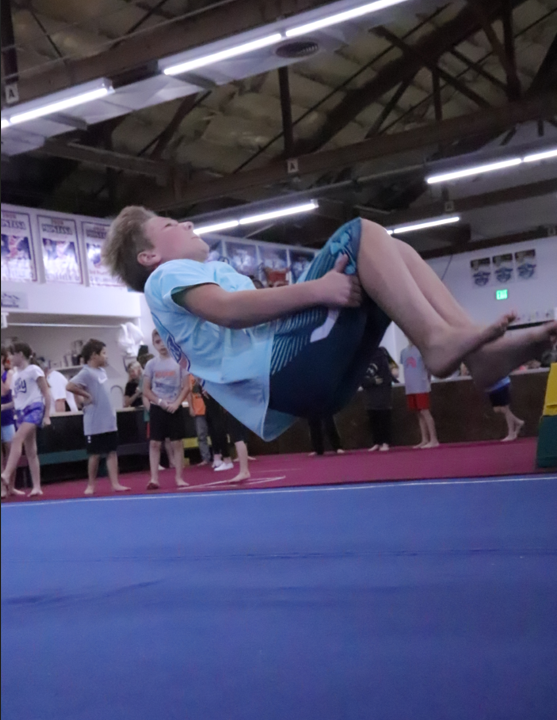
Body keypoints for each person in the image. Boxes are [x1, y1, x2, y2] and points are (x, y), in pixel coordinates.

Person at [101, 208, 557, 441]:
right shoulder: (166, 275)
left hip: (307, 386)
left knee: (388, 252)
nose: (187, 221)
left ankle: (473, 351)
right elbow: (227, 309)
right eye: (169, 224)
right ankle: (442, 342)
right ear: (149, 257)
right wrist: (314, 290)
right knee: (360, 231)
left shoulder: (189, 276)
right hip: (286, 369)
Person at [66, 339, 130, 495]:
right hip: (94, 422)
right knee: (94, 454)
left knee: (112, 452)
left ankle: (115, 483)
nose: (107, 356)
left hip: (108, 420)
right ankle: (91, 485)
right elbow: (70, 386)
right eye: (104, 353)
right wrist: (86, 395)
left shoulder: (101, 371)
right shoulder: (86, 372)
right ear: (94, 355)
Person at [1, 342, 51, 497]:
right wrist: (4, 407)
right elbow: (17, 400)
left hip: (34, 409)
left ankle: (6, 474)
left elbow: (46, 392)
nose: (9, 358)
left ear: (20, 355)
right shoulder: (15, 375)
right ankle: (36, 486)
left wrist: (47, 414)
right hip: (21, 412)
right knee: (31, 450)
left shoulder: (34, 370)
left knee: (17, 438)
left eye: (12, 354)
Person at [142, 330, 189, 490]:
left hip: (174, 407)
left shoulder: (180, 361)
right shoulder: (151, 364)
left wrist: (176, 403)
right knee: (155, 443)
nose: (161, 345)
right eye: (157, 342)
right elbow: (146, 390)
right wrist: (159, 401)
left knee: (177, 443)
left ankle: (179, 477)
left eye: (163, 341)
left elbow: (186, 387)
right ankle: (154, 478)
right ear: (154, 344)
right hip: (158, 407)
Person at [203, 392, 251, 483]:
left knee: (238, 437)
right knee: (237, 437)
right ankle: (244, 470)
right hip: (232, 404)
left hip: (233, 405)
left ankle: (244, 471)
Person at [400, 342, 439, 449]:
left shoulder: (422, 350)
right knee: (418, 412)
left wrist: (428, 381)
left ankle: (434, 439)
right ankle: (424, 439)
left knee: (424, 411)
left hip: (421, 385)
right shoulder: (404, 352)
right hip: (410, 387)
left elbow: (428, 368)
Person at [362, 346, 398, 452]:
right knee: (373, 415)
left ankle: (385, 442)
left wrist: (394, 370)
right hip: (370, 391)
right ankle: (377, 442)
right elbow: (360, 375)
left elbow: (393, 365)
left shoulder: (382, 351)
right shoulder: (363, 354)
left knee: (383, 415)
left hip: (383, 389)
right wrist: (371, 381)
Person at [1, 346, 25, 498]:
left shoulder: (9, 373)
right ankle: (2, 489)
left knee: (11, 453)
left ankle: (11, 486)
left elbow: (4, 391)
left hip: (7, 418)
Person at [486, 376, 524, 442]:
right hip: (491, 387)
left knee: (505, 408)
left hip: (501, 384)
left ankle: (511, 433)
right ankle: (518, 422)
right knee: (497, 409)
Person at [185, 374, 212, 466]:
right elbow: (188, 392)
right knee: (201, 435)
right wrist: (191, 407)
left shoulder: (206, 372)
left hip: (210, 407)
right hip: (198, 409)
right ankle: (205, 458)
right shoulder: (189, 376)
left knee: (215, 432)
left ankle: (218, 454)